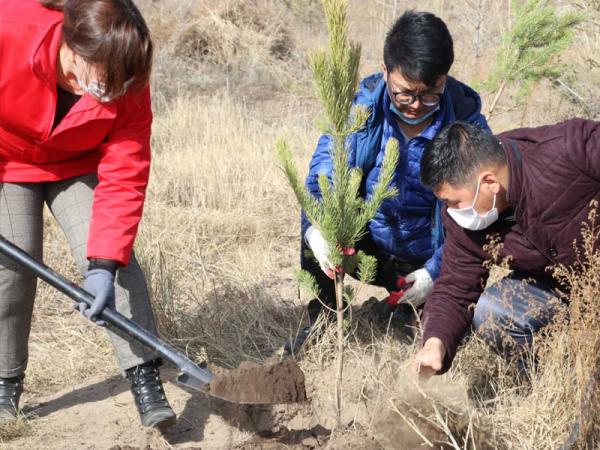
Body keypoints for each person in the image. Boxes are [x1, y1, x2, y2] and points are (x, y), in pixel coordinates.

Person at [0, 0, 175, 428]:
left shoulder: (128, 78)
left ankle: (144, 376)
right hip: (6, 161)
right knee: (11, 265)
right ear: (73, 50)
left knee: (115, 265)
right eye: (106, 82)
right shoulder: (10, 29)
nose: (116, 93)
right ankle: (4, 384)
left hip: (76, 162)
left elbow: (125, 171)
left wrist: (103, 263)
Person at [285, 11, 490, 353]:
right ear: (385, 71)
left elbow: (480, 213)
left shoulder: (467, 124)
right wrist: (318, 231)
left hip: (425, 258)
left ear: (444, 79)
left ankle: (404, 311)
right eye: (404, 94)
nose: (414, 105)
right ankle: (323, 320)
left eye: (429, 95)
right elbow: (324, 175)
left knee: (438, 340)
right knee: (315, 230)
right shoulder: (363, 111)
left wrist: (436, 271)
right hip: (366, 244)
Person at [414, 119, 600, 379]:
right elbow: (456, 286)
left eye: (454, 201)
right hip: (561, 286)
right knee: (493, 312)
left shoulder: (571, 147)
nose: (451, 210)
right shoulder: (464, 223)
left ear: (489, 182)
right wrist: (435, 342)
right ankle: (556, 383)